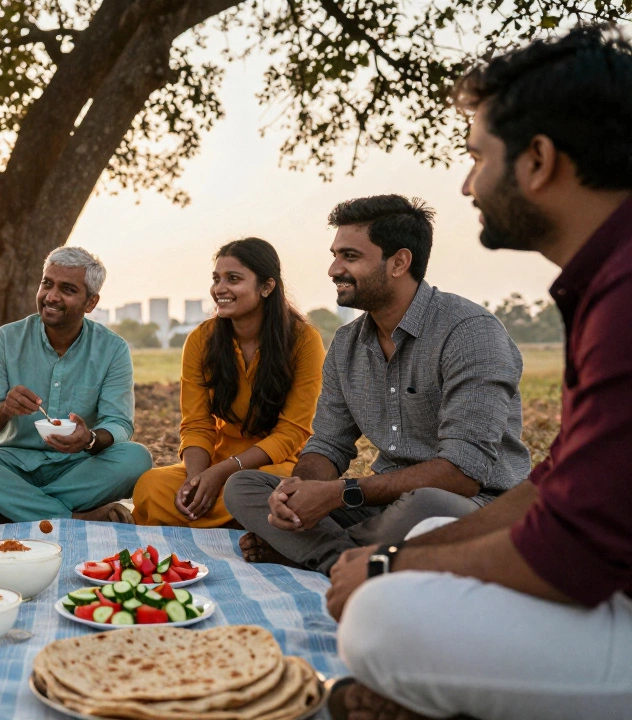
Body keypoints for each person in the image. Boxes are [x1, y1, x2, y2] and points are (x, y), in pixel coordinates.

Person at [327, 26, 632, 720]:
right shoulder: (604, 283)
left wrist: (387, 567)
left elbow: (571, 552)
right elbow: (554, 490)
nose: (467, 184)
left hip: (603, 582)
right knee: (427, 544)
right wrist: (406, 558)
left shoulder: (620, 295)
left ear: (538, 161)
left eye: (476, 156)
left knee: (381, 619)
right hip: (595, 566)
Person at [223, 195, 531, 574]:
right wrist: (296, 496)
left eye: (350, 256)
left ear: (400, 262)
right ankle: (346, 560)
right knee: (243, 487)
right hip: (380, 505)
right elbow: (328, 444)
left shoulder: (470, 334)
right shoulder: (347, 344)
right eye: (335, 254)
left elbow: (462, 474)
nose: (334, 269)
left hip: (472, 507)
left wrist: (339, 494)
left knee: (425, 506)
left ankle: (316, 552)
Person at [0, 247, 153, 525]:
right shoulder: (6, 339)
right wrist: (4, 409)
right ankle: (73, 517)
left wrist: (90, 439)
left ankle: (7, 510)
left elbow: (119, 425)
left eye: (67, 289)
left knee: (136, 458)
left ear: (90, 303)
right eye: (47, 283)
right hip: (10, 465)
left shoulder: (112, 349)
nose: (51, 296)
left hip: (79, 468)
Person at [133, 238, 325, 527]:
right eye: (216, 279)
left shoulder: (303, 341)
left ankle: (232, 521)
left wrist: (223, 473)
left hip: (274, 466)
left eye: (233, 279)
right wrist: (196, 481)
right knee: (150, 487)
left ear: (266, 287)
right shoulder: (201, 339)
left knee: (272, 495)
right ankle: (238, 524)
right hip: (216, 463)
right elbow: (197, 424)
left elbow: (292, 432)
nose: (219, 289)